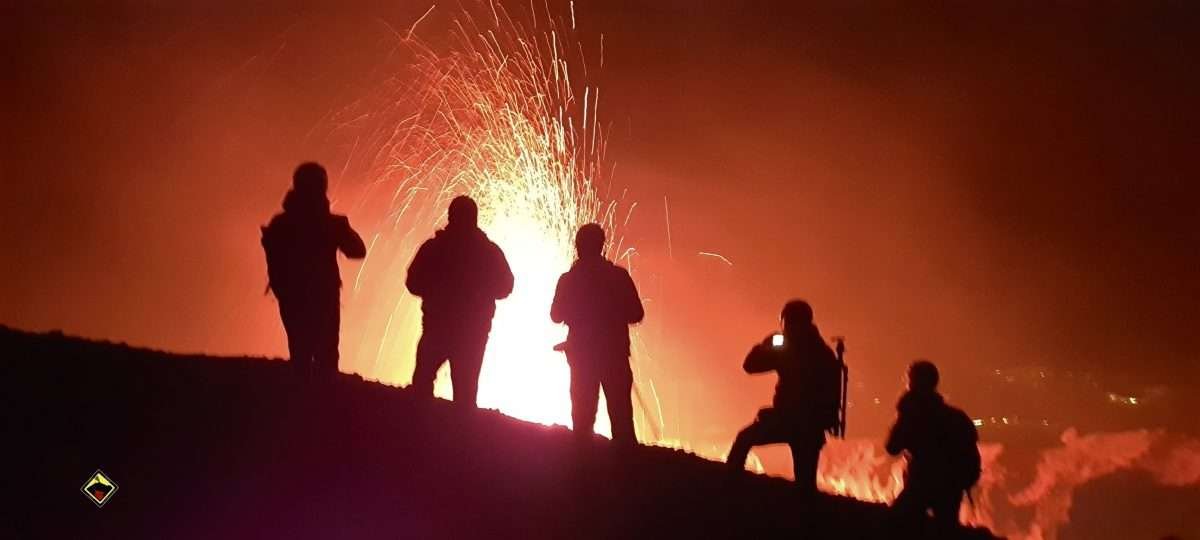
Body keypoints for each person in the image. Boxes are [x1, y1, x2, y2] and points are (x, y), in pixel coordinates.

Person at [261, 162, 366, 379]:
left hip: (292, 300)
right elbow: (358, 251)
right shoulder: (330, 224)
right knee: (326, 360)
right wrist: (341, 228)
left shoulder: (281, 223)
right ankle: (321, 407)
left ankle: (303, 404)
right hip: (322, 299)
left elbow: (274, 263)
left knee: (300, 355)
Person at [406, 195, 513, 407]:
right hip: (472, 333)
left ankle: (417, 431)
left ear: (450, 217)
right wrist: (480, 294)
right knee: (465, 393)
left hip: (438, 327)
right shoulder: (489, 252)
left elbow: (413, 283)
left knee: (422, 383)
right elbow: (506, 286)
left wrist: (437, 293)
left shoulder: (434, 248)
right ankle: (461, 436)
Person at [726, 300, 843, 492]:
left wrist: (766, 345)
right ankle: (807, 518)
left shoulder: (789, 350)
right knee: (805, 485)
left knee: (744, 439)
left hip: (790, 422)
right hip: (809, 427)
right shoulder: (823, 352)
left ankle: (728, 490)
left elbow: (750, 365)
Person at [550, 223, 644, 445]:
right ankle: (628, 470)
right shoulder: (619, 277)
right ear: (602, 246)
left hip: (581, 357)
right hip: (614, 356)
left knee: (582, 421)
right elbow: (636, 313)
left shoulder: (568, 280)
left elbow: (555, 315)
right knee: (621, 419)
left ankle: (583, 471)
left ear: (578, 246)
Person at [886, 360, 981, 532]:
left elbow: (892, 447)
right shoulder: (956, 417)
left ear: (913, 383)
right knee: (945, 529)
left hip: (921, 484)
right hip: (951, 488)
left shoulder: (912, 412)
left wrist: (904, 410)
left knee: (894, 525)